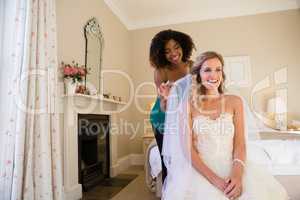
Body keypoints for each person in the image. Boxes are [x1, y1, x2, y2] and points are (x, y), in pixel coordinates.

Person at [162, 51, 289, 200]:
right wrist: (217, 182)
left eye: (218, 69)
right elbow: (187, 149)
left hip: (234, 165)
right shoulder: (187, 105)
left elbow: (240, 144)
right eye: (207, 70)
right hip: (201, 170)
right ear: (198, 75)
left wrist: (237, 175)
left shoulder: (235, 101)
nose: (213, 75)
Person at [149, 29, 195, 183]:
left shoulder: (193, 66)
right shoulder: (161, 71)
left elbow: (197, 95)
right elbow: (163, 102)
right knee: (168, 158)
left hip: (185, 114)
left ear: (183, 47)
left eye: (176, 47)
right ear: (162, 54)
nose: (173, 53)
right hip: (162, 115)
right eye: (167, 51)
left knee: (187, 156)